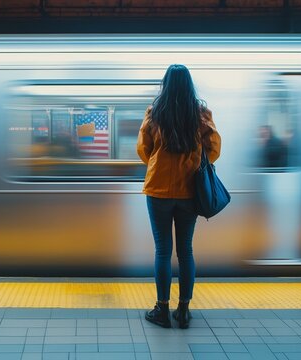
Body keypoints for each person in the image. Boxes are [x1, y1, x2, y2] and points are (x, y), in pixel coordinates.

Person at [136, 64, 221, 329]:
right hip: (188, 192)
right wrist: (194, 162)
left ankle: (162, 310)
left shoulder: (155, 113)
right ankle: (183, 310)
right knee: (186, 251)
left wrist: (159, 164)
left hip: (158, 191)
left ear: (166, 84)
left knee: (163, 251)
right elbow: (215, 147)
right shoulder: (200, 115)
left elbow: (143, 150)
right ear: (189, 85)